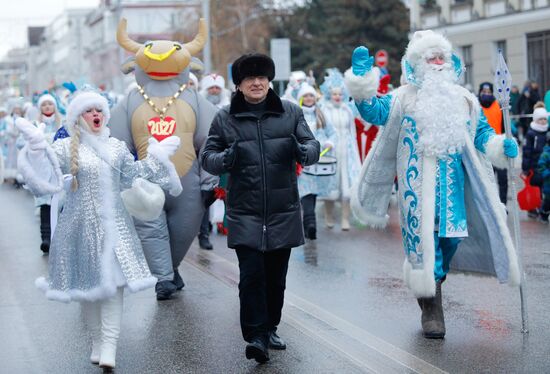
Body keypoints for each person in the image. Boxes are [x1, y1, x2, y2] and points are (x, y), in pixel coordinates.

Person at [345, 30, 521, 339]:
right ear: (418, 63)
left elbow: (482, 135)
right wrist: (362, 84)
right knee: (425, 249)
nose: (438, 61)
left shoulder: (464, 100)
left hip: (454, 193)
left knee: (449, 243)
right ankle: (431, 309)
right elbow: (374, 112)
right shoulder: (403, 99)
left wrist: (500, 145)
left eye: (441, 57)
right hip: (418, 194)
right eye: (431, 57)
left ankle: (433, 282)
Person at [15, 90, 182, 369]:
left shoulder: (116, 147)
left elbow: (135, 175)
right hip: (79, 229)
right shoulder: (66, 147)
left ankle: (110, 346)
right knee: (88, 290)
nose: (96, 115)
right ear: (78, 117)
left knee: (115, 288)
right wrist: (35, 149)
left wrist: (158, 157)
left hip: (116, 229)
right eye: (89, 111)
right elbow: (42, 177)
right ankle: (96, 341)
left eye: (99, 111)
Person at [201, 53, 320, 363]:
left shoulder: (290, 112)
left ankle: (270, 328)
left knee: (275, 278)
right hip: (245, 211)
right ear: (239, 85)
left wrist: (302, 151)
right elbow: (207, 155)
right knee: (252, 276)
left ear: (269, 81)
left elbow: (312, 146)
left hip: (283, 211)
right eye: (249, 79)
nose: (256, 83)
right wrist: (223, 160)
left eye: (262, 77)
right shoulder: (225, 118)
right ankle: (256, 336)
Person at [110, 19, 217, 300]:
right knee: (151, 231)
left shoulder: (194, 98)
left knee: (183, 231)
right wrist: (123, 178)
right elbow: (116, 143)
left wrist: (210, 180)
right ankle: (164, 279)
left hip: (188, 183)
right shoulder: (130, 101)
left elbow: (211, 140)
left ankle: (170, 270)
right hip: (144, 183)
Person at [319, 69, 362, 231]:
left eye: (339, 93)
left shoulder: (348, 110)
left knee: (347, 186)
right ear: (329, 94)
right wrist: (324, 143)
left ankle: (345, 219)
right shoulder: (324, 110)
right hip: (330, 151)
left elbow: (352, 130)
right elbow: (320, 131)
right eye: (334, 93)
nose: (337, 96)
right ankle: (329, 216)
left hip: (346, 151)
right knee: (330, 186)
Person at [297, 83, 337, 240]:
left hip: (319, 159)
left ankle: (309, 225)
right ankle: (310, 224)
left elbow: (332, 133)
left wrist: (330, 142)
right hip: (302, 159)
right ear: (301, 98)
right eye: (306, 95)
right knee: (305, 190)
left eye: (311, 95)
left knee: (312, 191)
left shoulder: (321, 114)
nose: (308, 98)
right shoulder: (297, 114)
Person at [196, 73, 229, 250]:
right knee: (206, 194)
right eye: (211, 88)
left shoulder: (229, 107)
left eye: (217, 88)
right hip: (205, 155)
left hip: (225, 156)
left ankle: (227, 225)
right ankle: (203, 232)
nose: (215, 91)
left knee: (226, 194)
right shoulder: (199, 107)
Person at [478, 82, 508, 205]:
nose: (486, 95)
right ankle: (488, 205)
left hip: (498, 148)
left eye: (489, 92)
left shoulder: (499, 106)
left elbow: (505, 126)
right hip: (482, 149)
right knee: (486, 180)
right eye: (484, 92)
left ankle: (503, 204)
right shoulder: (476, 106)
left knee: (502, 180)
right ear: (480, 92)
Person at [522, 105, 548, 218]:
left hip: (544, 165)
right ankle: (533, 207)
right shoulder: (531, 133)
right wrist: (526, 168)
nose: (543, 122)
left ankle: (541, 206)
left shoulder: (547, 132)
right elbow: (527, 151)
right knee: (535, 187)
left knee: (544, 186)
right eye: (540, 119)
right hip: (533, 166)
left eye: (544, 119)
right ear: (536, 120)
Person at [537, 131, 550, 223]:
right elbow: (541, 167)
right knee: (548, 200)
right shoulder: (546, 154)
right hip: (548, 182)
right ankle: (544, 213)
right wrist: (547, 173)